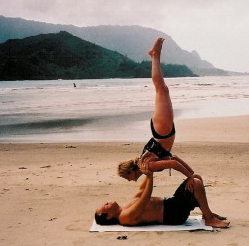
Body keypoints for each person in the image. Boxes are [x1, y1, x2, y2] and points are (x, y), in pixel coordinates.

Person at [118, 38, 198, 185]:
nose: (130, 181)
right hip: (162, 131)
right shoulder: (146, 165)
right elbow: (173, 159)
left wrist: (190, 177)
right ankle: (155, 55)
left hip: (163, 132)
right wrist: (191, 173)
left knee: (161, 89)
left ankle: (155, 55)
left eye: (127, 178)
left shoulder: (147, 165)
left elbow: (173, 164)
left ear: (131, 172)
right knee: (163, 90)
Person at [95, 171, 229, 228]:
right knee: (195, 183)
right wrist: (150, 175)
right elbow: (145, 198)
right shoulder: (124, 217)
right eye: (104, 206)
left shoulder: (125, 207)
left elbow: (141, 191)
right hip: (173, 214)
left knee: (195, 177)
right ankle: (209, 219)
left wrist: (146, 170)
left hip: (171, 203)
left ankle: (207, 214)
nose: (106, 202)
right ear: (108, 216)